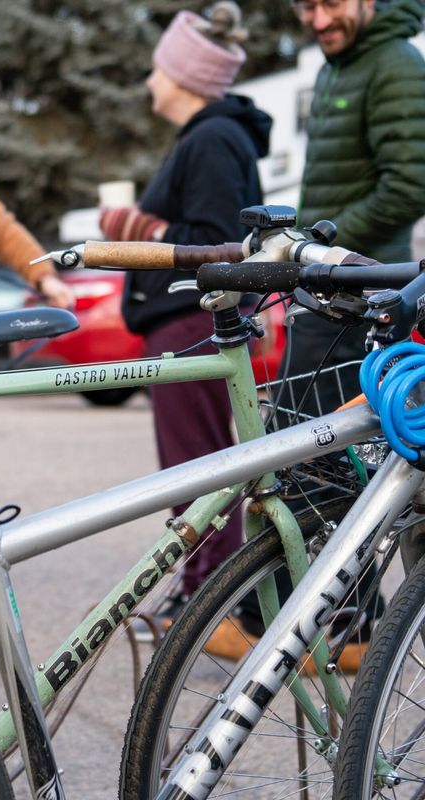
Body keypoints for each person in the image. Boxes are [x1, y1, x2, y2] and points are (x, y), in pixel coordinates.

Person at [97, 2, 270, 630]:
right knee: (198, 466)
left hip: (192, 321)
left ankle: (210, 608)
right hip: (186, 322)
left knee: (200, 470)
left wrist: (131, 227)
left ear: (185, 76)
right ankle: (204, 598)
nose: (150, 83)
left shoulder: (212, 138)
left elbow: (214, 238)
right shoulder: (210, 137)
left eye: (158, 70)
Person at [280, 0, 425, 412]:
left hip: (359, 291)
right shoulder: (336, 65)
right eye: (308, 7)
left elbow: (410, 185)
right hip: (325, 285)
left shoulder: (395, 63)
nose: (320, 20)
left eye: (332, 3)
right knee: (299, 441)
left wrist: (317, 251)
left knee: (312, 452)